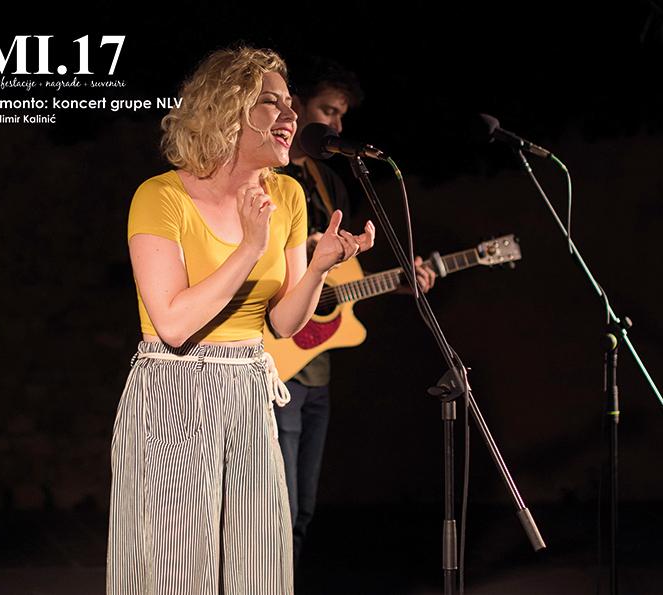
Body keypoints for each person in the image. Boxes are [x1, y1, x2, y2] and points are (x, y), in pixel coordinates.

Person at [106, 46, 374, 595]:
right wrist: (250, 246)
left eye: (291, 103)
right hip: (176, 391)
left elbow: (285, 323)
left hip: (249, 389)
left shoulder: (288, 195)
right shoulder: (160, 196)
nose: (292, 115)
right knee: (180, 570)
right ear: (228, 110)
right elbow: (173, 324)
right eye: (273, 102)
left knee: (258, 565)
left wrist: (319, 268)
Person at [274, 57, 436, 566]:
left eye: (342, 116)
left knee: (303, 510)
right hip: (274, 360)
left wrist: (398, 283)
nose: (338, 126)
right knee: (276, 512)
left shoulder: (330, 182)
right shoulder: (266, 178)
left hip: (315, 366)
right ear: (296, 106)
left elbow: (338, 274)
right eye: (329, 111)